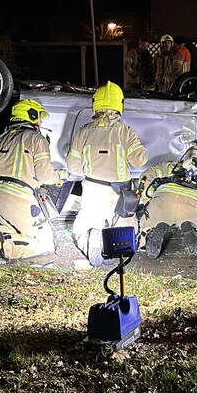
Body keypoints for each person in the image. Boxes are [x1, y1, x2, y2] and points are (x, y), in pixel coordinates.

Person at [0, 99, 65, 262]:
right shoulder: (37, 139)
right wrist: (61, 176)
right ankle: (2, 247)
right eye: (39, 117)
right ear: (32, 116)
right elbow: (45, 176)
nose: (41, 122)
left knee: (15, 229)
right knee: (45, 244)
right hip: (18, 197)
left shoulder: (2, 139)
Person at [67, 81, 147, 265]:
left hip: (92, 192)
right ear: (120, 105)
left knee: (81, 228)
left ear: (95, 104)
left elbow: (73, 166)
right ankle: (113, 250)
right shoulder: (126, 132)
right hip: (119, 196)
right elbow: (139, 161)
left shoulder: (83, 132)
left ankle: (89, 241)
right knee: (127, 234)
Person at [137, 145, 197, 259]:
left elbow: (145, 176)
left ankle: (147, 236)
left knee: (147, 223)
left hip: (163, 205)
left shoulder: (168, 166)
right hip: (191, 211)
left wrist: (147, 199)